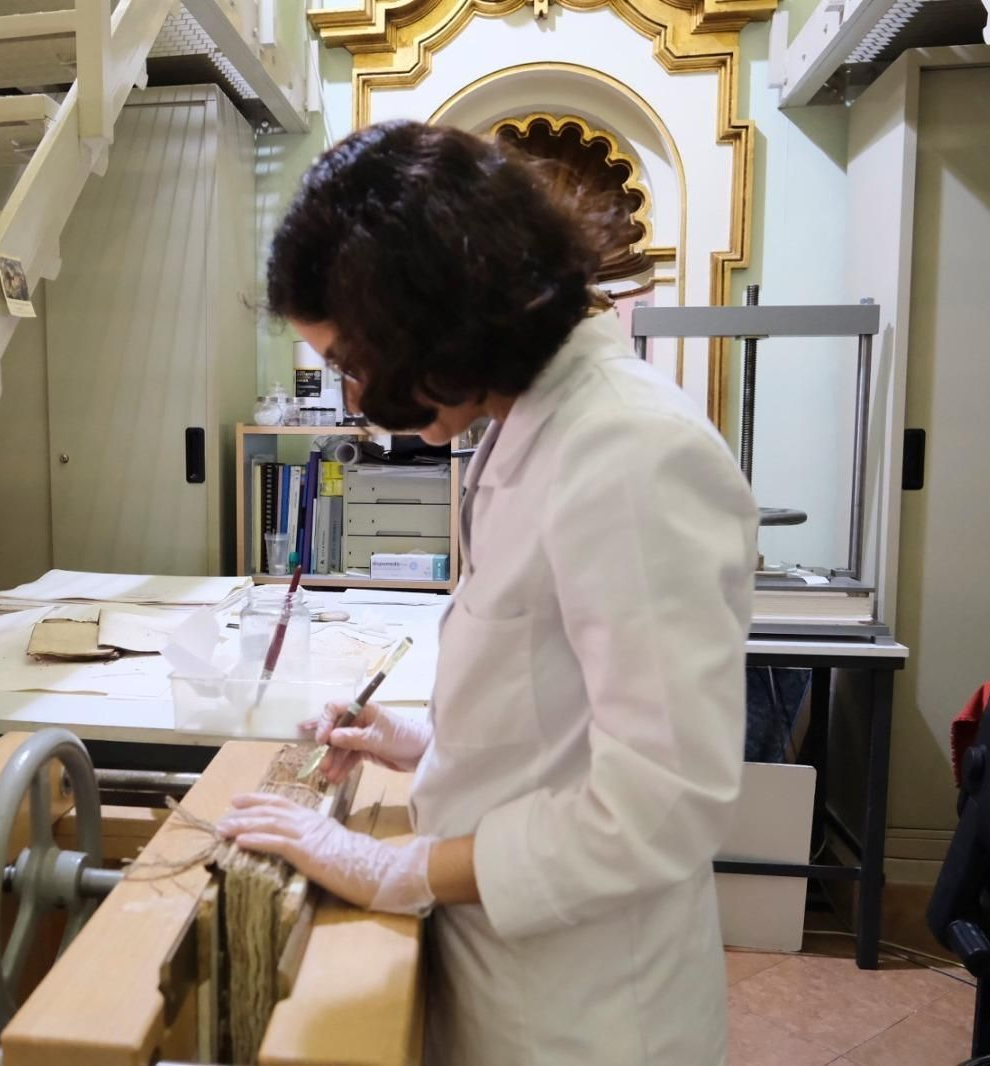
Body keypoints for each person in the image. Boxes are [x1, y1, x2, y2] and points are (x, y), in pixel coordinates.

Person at [215, 120, 759, 1065]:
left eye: (352, 363)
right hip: (509, 967)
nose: (354, 400)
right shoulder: (523, 422)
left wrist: (399, 867)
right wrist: (426, 743)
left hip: (588, 1013)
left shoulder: (631, 450)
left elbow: (661, 805)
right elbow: (556, 707)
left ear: (438, 318)